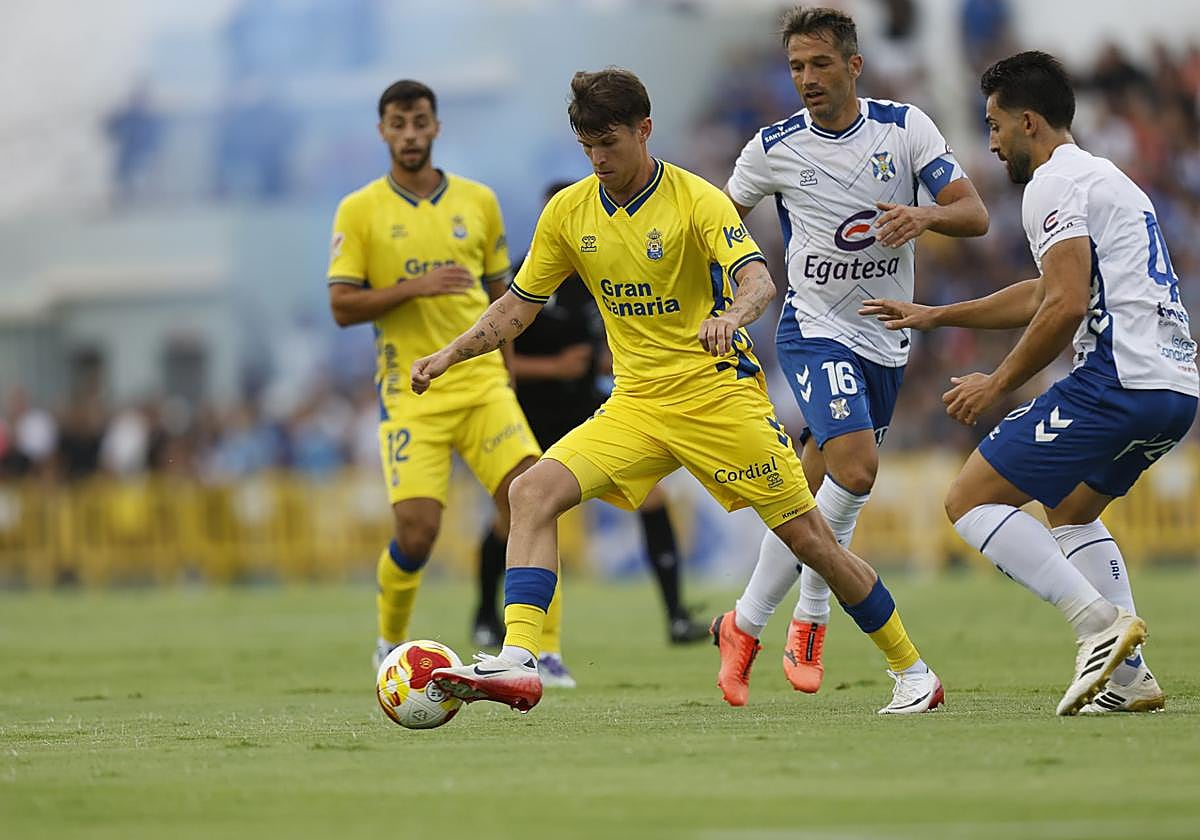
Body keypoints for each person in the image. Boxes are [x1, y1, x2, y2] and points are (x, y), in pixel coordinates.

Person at [412, 67, 943, 716]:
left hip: (718, 399)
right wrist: (448, 353)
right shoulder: (568, 212)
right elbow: (518, 309)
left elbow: (758, 282)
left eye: (609, 142)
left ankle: (911, 670)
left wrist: (730, 316)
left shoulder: (697, 200)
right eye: (587, 147)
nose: (599, 159)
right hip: (635, 406)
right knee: (531, 492)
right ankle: (523, 660)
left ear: (645, 130)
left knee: (811, 544)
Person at [863, 51, 1196, 715]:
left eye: (994, 124)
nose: (990, 140)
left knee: (968, 498)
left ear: (1030, 123)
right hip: (1175, 386)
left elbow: (1066, 304)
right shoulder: (1107, 179)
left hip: (1116, 380)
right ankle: (1129, 679)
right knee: (1070, 510)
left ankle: (1097, 626)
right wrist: (939, 315)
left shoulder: (1051, 185)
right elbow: (1047, 289)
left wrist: (997, 383)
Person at [720, 6, 988, 695]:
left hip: (886, 336)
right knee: (858, 469)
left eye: (819, 64)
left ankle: (745, 622)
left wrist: (923, 214)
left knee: (806, 492)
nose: (807, 79)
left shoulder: (905, 130)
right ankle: (812, 614)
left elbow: (974, 213)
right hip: (811, 329)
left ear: (854, 66)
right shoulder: (773, 147)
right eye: (796, 68)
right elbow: (715, 225)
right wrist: (727, 295)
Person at [327, 79, 556, 674]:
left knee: (531, 498)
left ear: (436, 126)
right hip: (410, 393)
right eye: (398, 124)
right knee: (419, 532)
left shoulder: (478, 201)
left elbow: (502, 293)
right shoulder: (360, 210)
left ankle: (541, 649)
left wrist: (509, 371)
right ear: (383, 130)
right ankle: (388, 639)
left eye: (420, 122)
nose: (410, 135)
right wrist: (413, 288)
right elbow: (342, 306)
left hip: (482, 386)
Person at [472, 181, 711, 651]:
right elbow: (496, 355)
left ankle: (677, 615)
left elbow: (613, 340)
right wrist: (552, 367)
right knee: (511, 513)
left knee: (654, 501)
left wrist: (606, 361)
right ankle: (485, 616)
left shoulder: (601, 273)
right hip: (529, 411)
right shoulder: (526, 276)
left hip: (585, 408)